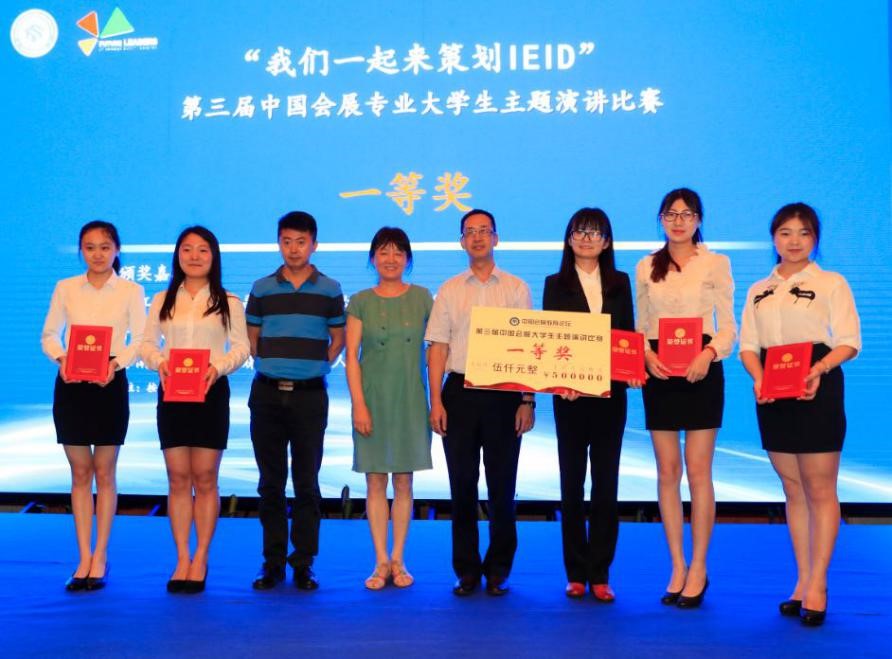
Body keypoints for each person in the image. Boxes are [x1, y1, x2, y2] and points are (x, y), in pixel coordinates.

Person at [739, 203, 859, 626]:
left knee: (820, 488)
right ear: (774, 238)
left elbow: (849, 341)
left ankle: (819, 584)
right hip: (773, 388)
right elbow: (748, 346)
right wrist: (759, 379)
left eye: (804, 233)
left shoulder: (831, 283)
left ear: (815, 239)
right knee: (793, 489)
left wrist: (819, 369)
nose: (794, 241)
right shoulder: (759, 289)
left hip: (816, 383)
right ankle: (802, 579)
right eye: (785, 233)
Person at [635, 188, 736, 608]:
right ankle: (677, 564)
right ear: (661, 219)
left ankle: (699, 566)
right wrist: (646, 356)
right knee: (667, 472)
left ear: (699, 220)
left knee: (698, 472)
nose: (679, 221)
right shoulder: (646, 265)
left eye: (687, 214)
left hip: (701, 367)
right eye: (671, 214)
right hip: (660, 370)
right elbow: (641, 325)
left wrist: (709, 354)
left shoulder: (716, 263)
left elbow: (728, 325)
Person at [425, 208, 534, 597]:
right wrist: (436, 401)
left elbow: (529, 348)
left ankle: (499, 569)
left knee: (502, 487)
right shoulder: (450, 290)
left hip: (505, 395)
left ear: (496, 238)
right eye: (469, 232)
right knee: (462, 487)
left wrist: (527, 400)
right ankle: (467, 570)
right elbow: (438, 348)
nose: (477, 237)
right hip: (459, 394)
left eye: (484, 231)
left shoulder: (516, 288)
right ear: (461, 241)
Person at [141, 226, 249, 594]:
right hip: (172, 391)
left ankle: (201, 556)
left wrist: (217, 367)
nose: (194, 256)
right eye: (187, 249)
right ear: (177, 255)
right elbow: (146, 343)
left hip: (210, 391)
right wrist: (160, 362)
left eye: (203, 250)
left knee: (204, 477)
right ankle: (181, 557)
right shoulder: (162, 299)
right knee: (177, 477)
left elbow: (242, 348)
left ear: (214, 256)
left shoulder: (228, 301)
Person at [41, 220, 146, 591]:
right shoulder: (66, 287)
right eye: (90, 247)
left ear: (117, 250)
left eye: (105, 247)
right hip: (72, 385)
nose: (98, 254)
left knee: (104, 471)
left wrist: (115, 364)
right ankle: (82, 556)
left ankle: (100, 555)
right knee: (80, 473)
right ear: (81, 250)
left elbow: (141, 340)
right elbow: (50, 334)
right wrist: (61, 359)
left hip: (109, 384)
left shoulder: (131, 290)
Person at [543, 208, 641, 602]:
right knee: (571, 485)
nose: (586, 238)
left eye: (594, 232)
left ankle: (600, 572)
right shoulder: (555, 283)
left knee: (605, 484)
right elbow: (551, 338)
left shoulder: (620, 282)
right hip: (569, 398)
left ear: (607, 241)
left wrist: (633, 369)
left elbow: (627, 333)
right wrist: (559, 382)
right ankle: (575, 573)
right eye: (579, 232)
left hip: (611, 396)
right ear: (569, 239)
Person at [246, 211, 346, 591]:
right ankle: (271, 563)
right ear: (279, 243)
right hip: (267, 393)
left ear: (314, 245)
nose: (293, 249)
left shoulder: (330, 289)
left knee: (307, 483)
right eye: (286, 241)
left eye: (301, 242)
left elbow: (338, 339)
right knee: (270, 483)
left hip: (309, 397)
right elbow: (252, 338)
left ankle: (304, 563)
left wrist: (316, 366)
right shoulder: (262, 288)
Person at [345, 227, 434, 590]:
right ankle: (380, 560)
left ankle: (399, 558)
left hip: (411, 398)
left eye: (398, 252)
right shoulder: (360, 301)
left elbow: (437, 350)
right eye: (383, 252)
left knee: (404, 480)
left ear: (408, 259)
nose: (391, 259)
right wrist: (359, 405)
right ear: (373, 259)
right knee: (375, 480)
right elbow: (351, 357)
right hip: (372, 400)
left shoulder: (423, 298)